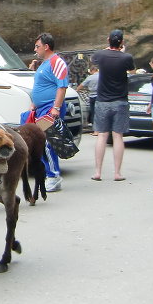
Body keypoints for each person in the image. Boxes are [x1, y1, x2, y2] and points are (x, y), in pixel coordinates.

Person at [25, 33, 68, 192]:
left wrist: (56, 107)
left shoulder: (57, 62)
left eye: (37, 46)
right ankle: (48, 172)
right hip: (40, 109)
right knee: (38, 140)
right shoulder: (44, 63)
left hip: (50, 109)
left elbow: (61, 86)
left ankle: (54, 176)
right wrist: (33, 104)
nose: (35, 49)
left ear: (46, 46)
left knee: (47, 142)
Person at [91, 30, 135, 182]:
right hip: (120, 101)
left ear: (108, 39)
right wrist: (123, 52)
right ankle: (117, 173)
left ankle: (98, 172)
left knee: (102, 136)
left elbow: (94, 60)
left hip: (103, 101)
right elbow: (132, 71)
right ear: (121, 42)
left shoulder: (100, 55)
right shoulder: (126, 58)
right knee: (118, 136)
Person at [76, 65, 99, 138]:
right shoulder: (102, 76)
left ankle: (96, 131)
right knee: (100, 113)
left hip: (92, 97)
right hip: (101, 96)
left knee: (94, 113)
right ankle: (101, 130)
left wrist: (76, 90)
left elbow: (81, 85)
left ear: (92, 71)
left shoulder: (90, 77)